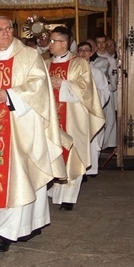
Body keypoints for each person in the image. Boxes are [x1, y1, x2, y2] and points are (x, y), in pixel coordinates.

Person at [0, 16, 66, 253]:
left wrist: (9, 95)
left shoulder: (29, 56)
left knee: (25, 175)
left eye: (8, 28)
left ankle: (24, 225)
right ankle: (9, 230)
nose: (5, 33)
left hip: (23, 125)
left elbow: (39, 85)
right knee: (2, 177)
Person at [46, 28, 104, 211]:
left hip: (72, 117)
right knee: (53, 151)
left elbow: (87, 90)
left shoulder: (80, 64)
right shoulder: (45, 63)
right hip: (50, 117)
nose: (50, 44)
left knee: (71, 152)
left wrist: (64, 84)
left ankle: (69, 197)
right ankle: (56, 192)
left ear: (63, 43)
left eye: (54, 41)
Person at [76, 41, 111, 178]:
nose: (83, 53)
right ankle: (80, 169)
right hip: (77, 112)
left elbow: (105, 91)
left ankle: (91, 168)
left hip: (93, 111)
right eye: (80, 50)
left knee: (93, 141)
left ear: (91, 53)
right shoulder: (74, 70)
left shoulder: (96, 72)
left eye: (86, 50)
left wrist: (93, 100)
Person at [94, 32, 118, 150]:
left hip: (107, 90)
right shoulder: (92, 57)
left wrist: (111, 87)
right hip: (95, 91)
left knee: (110, 119)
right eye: (99, 43)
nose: (102, 45)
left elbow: (113, 75)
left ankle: (106, 143)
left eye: (103, 42)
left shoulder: (110, 58)